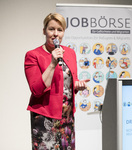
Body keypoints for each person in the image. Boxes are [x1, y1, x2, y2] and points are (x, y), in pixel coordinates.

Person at [24, 13, 89, 150]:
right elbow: (36, 90)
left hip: (67, 116)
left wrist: (78, 85)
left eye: (60, 30)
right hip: (45, 117)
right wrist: (53, 63)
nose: (55, 34)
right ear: (44, 31)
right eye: (51, 29)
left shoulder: (70, 52)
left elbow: (70, 81)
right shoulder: (33, 55)